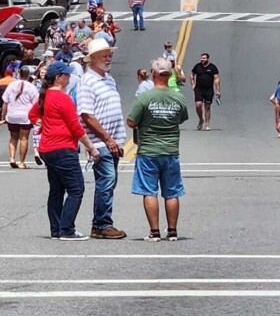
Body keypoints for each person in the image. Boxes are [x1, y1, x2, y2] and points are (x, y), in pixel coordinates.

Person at [31, 61, 101, 241]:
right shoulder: (63, 98)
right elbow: (75, 126)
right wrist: (91, 147)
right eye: (66, 75)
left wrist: (42, 123)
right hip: (62, 147)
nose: (69, 77)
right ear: (58, 78)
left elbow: (32, 114)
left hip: (48, 147)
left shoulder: (45, 96)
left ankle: (57, 228)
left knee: (56, 189)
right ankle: (67, 229)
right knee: (76, 188)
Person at [128, 58, 189, 242]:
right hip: (170, 150)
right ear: (170, 75)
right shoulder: (178, 97)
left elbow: (131, 121)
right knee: (172, 192)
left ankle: (154, 232)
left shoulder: (144, 98)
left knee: (149, 191)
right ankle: (172, 231)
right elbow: (182, 118)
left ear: (153, 75)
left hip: (148, 150)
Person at [77, 38, 128, 239]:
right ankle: (101, 224)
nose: (108, 59)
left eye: (110, 55)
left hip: (113, 140)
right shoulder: (87, 81)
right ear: (93, 58)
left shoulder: (109, 79)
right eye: (104, 56)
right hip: (101, 141)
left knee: (110, 182)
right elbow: (86, 115)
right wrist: (107, 139)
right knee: (106, 181)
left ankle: (103, 222)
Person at [1, 66, 39, 169]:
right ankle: (22, 162)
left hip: (12, 114)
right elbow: (36, 103)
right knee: (24, 138)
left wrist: (3, 114)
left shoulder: (11, 85)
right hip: (25, 116)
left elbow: (5, 101)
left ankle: (12, 158)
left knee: (13, 137)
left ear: (19, 73)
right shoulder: (32, 87)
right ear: (28, 75)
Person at [190, 53, 221, 131]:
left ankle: (207, 124)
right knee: (198, 105)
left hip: (209, 90)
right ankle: (201, 119)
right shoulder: (197, 66)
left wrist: (218, 91)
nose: (202, 60)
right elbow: (191, 75)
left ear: (207, 59)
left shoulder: (212, 67)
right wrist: (193, 84)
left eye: (204, 58)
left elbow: (216, 79)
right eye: (201, 58)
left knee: (207, 107)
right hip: (198, 89)